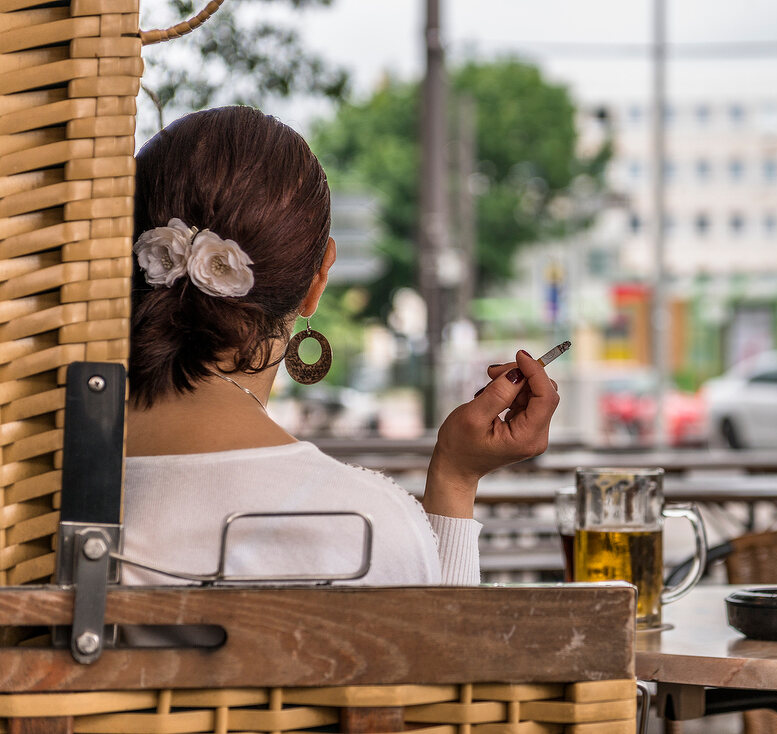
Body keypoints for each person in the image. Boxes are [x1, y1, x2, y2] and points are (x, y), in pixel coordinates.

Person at [122, 106, 558, 586]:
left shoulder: (40, 481)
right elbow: (449, 658)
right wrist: (456, 479)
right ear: (318, 279)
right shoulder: (362, 529)